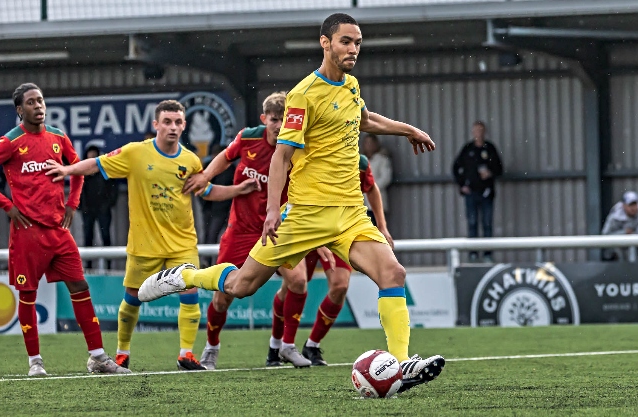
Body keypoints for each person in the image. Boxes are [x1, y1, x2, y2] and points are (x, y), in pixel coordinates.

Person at [139, 13, 445, 394]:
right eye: (346, 41)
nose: (353, 49)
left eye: (358, 43)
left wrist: (410, 130)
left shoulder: (350, 86)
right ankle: (184, 276)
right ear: (325, 43)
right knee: (239, 285)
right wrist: (271, 212)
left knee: (393, 274)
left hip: (350, 214)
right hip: (303, 216)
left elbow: (366, 120)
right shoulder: (303, 94)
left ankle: (398, 368)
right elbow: (282, 157)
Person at [45, 99, 260, 372]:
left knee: (190, 293)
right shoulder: (136, 153)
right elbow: (95, 165)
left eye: (178, 122)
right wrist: (66, 170)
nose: (173, 127)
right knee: (133, 298)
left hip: (181, 241)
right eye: (167, 122)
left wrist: (238, 190)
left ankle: (186, 354)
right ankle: (122, 353)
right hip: (144, 243)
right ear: (155, 124)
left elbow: (207, 192)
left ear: (184, 126)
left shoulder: (191, 160)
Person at [0, 83, 129, 376]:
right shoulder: (10, 141)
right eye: (31, 102)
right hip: (27, 231)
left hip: (58, 230)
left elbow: (78, 168)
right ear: (20, 110)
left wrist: (72, 204)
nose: (38, 106)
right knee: (28, 294)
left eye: (40, 100)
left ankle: (97, 357)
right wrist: (7, 206)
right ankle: (35, 362)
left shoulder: (58, 136)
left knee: (80, 286)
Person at [183, 91, 320, 369]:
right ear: (263, 119)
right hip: (242, 230)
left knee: (298, 281)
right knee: (223, 298)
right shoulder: (248, 138)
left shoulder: (298, 147)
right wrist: (206, 175)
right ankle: (211, 347)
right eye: (274, 119)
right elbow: (225, 156)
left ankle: (287, 346)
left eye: (284, 119)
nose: (279, 125)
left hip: (280, 229)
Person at [297, 154, 394, 365]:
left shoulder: (358, 162)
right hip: (305, 227)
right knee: (294, 284)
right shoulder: (310, 155)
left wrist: (382, 226)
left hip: (339, 232)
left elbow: (372, 188)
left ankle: (312, 345)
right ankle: (279, 345)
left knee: (340, 286)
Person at [452, 120, 503, 263]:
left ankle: (488, 254)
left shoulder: (490, 149)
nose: (478, 133)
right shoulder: (468, 149)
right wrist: (462, 185)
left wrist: (490, 173)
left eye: (481, 130)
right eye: (476, 130)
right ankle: (473, 254)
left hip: (486, 193)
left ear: (484, 132)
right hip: (471, 193)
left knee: (487, 223)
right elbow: (456, 168)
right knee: (472, 223)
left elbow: (500, 169)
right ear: (472, 132)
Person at [79, 144, 118, 270]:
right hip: (88, 210)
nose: (92, 155)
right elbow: (78, 190)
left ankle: (108, 267)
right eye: (90, 153)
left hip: (103, 209)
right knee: (88, 238)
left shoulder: (105, 171)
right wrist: (81, 207)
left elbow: (113, 187)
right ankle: (88, 267)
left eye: (94, 153)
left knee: (105, 237)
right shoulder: (83, 172)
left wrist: (109, 203)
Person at [199, 143, 235, 267]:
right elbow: (201, 190)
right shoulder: (208, 168)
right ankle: (207, 264)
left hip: (226, 210)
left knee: (228, 238)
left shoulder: (232, 169)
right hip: (212, 210)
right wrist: (206, 207)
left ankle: (223, 265)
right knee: (210, 236)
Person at [601, 191, 638, 261]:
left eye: (635, 204)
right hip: (618, 253)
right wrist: (624, 232)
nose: (633, 208)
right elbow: (605, 235)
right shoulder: (615, 217)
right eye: (630, 205)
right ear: (624, 205)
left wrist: (634, 234)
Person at [361, 134, 392, 226]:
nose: (368, 145)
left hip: (377, 202)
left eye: (371, 143)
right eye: (366, 143)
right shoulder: (360, 159)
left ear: (376, 144)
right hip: (362, 203)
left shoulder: (382, 159)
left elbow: (385, 178)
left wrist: (369, 186)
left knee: (377, 229)